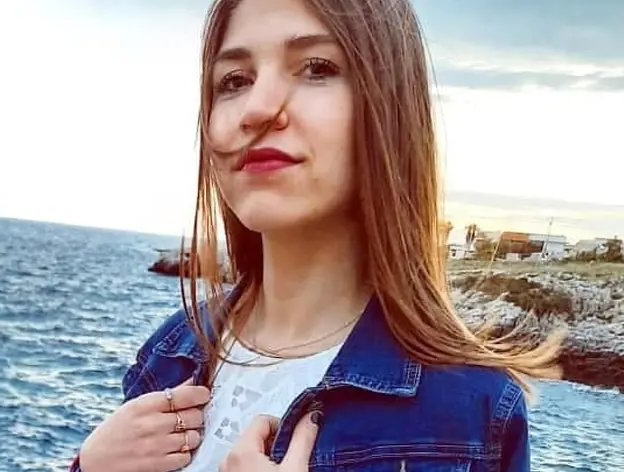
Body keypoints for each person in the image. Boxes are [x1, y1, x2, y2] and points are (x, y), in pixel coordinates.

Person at [69, 0, 564, 470]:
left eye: (316, 68)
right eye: (235, 80)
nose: (257, 108)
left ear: (390, 106)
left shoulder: (469, 412)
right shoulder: (170, 353)